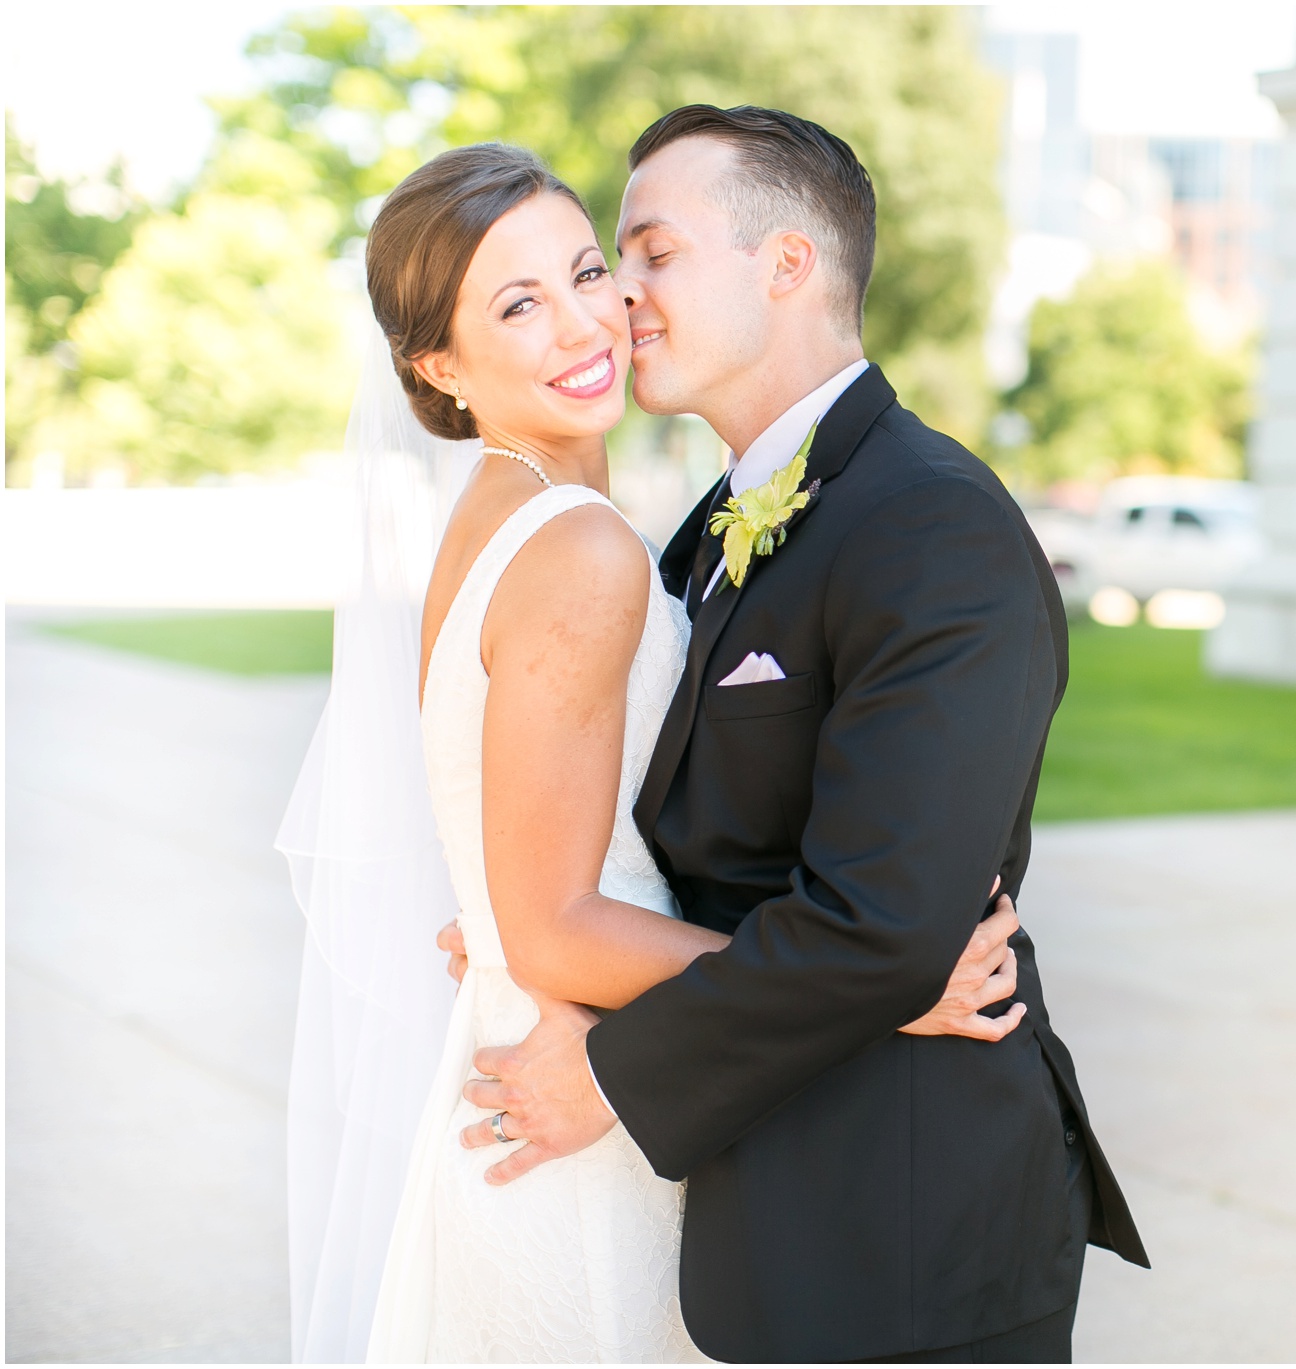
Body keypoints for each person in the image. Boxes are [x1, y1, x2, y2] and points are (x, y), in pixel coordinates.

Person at [283, 142, 1030, 1363]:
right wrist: (885, 983)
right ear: (437, 366)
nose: (594, 317)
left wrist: (506, 917)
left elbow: (525, 870)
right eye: (519, 304)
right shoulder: (579, 547)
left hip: (553, 1067)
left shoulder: (518, 529)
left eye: (593, 271)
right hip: (577, 1112)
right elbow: (554, 923)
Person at [462, 106, 1148, 1364]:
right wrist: (528, 936)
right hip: (760, 1205)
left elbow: (884, 926)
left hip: (898, 1233)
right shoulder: (706, 530)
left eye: (651, 252)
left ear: (786, 265)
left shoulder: (931, 528)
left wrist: (610, 1068)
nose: (621, 295)